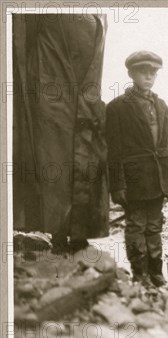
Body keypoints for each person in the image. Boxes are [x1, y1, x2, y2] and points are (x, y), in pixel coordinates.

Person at [12, 14, 109, 252]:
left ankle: (76, 233)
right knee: (55, 164)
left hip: (83, 103)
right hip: (50, 99)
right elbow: (23, 44)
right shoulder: (47, 13)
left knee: (81, 164)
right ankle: (56, 233)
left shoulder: (98, 18)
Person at [106, 51, 168, 287]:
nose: (148, 76)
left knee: (154, 225)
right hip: (134, 179)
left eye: (153, 72)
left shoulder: (161, 105)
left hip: (158, 178)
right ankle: (140, 274)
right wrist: (117, 185)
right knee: (136, 225)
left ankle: (156, 273)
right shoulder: (117, 107)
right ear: (131, 74)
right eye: (142, 72)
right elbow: (113, 150)